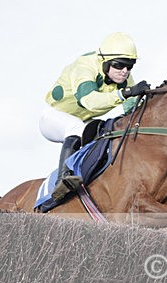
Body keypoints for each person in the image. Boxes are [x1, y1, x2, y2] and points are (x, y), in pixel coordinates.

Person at [39, 32, 151, 202]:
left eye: (130, 66)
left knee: (105, 134)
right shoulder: (84, 67)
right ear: (104, 62)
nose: (125, 72)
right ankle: (63, 181)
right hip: (53, 117)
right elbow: (89, 101)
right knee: (77, 128)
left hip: (83, 122)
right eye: (119, 65)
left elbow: (131, 111)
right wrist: (125, 93)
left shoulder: (124, 77)